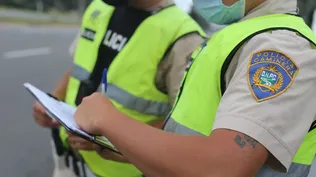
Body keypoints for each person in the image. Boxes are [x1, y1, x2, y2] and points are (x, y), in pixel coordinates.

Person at [74, 0, 316, 177]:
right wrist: (123, 144)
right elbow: (192, 134)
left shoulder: (280, 48)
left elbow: (225, 166)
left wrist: (108, 120)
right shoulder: (241, 35)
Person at [32, 0, 205, 177]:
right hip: (70, 161)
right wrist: (53, 100)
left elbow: (185, 130)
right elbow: (79, 68)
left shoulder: (185, 38)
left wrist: (111, 138)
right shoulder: (99, 7)